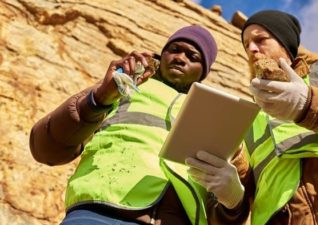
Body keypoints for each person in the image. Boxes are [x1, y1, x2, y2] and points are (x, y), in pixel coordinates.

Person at [186, 10, 318, 225]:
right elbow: (234, 211)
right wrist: (231, 202)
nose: (251, 49)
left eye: (260, 40)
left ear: (284, 41)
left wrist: (309, 104)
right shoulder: (248, 118)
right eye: (246, 45)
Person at [29, 25, 247, 225]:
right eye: (174, 49)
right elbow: (45, 149)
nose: (180, 58)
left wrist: (233, 201)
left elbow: (226, 213)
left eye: (193, 56)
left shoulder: (215, 117)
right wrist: (98, 99)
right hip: (96, 213)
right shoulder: (123, 86)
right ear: (162, 55)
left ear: (203, 72)